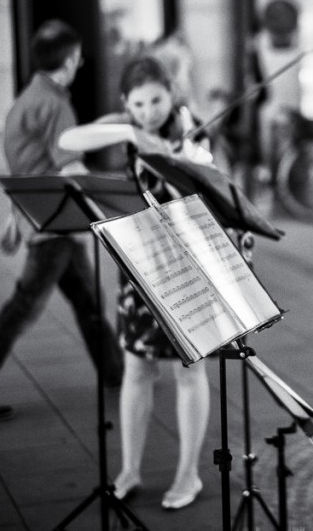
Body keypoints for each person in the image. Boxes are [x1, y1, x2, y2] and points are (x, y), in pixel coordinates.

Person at [0, 20, 124, 422]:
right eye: (78, 56)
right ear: (70, 59)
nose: (80, 62)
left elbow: (25, 161)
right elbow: (68, 165)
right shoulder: (56, 103)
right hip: (53, 225)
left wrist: (14, 219)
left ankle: (116, 373)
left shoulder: (27, 99)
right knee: (24, 305)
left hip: (40, 217)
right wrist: (115, 204)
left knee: (87, 302)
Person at [59, 56, 211, 510]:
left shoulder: (192, 128)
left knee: (190, 368)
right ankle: (129, 468)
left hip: (188, 264)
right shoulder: (129, 124)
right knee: (137, 367)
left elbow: (209, 181)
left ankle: (189, 474)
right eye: (139, 104)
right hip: (141, 262)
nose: (150, 112)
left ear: (172, 94)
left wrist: (186, 159)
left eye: (158, 101)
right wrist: (128, 132)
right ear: (127, 102)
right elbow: (69, 139)